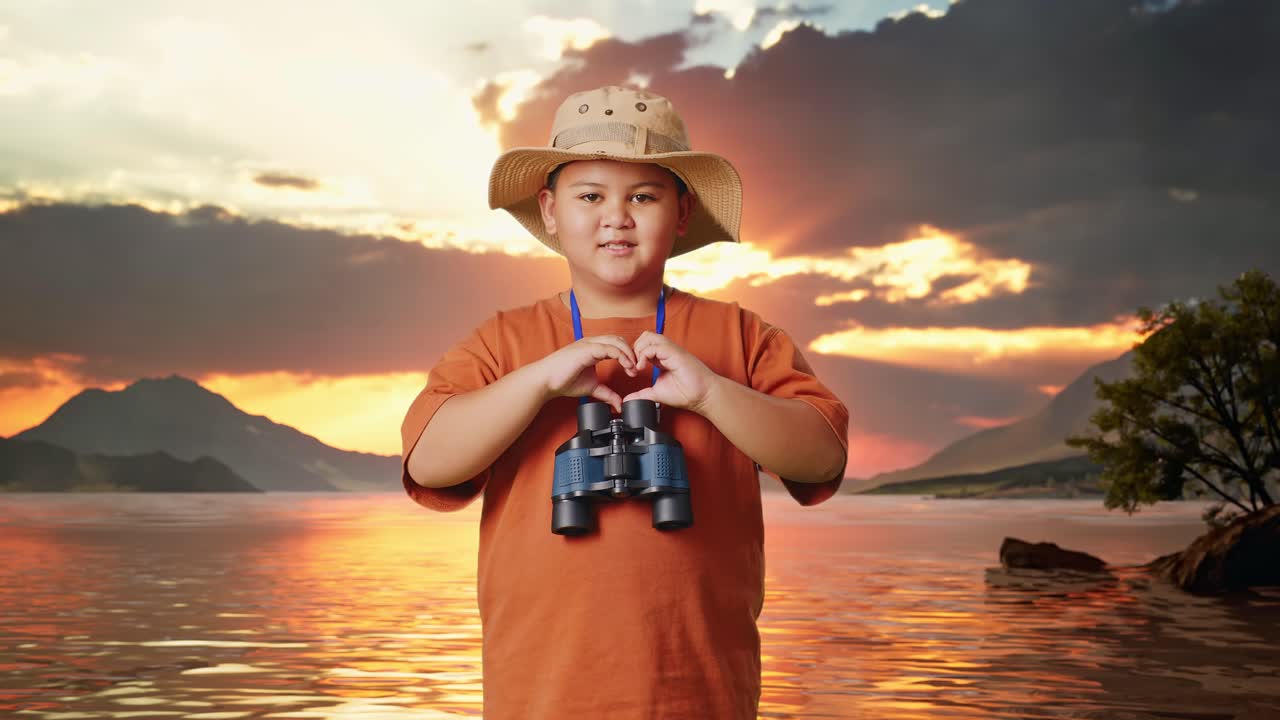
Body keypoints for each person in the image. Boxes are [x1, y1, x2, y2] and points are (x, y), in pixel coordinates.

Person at [400, 85, 849, 720]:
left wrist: (712, 394)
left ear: (683, 212)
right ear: (550, 210)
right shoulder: (503, 342)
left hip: (700, 692)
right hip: (541, 692)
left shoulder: (742, 337)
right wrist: (538, 382)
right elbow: (429, 464)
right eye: (591, 196)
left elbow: (822, 458)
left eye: (643, 195)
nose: (617, 216)